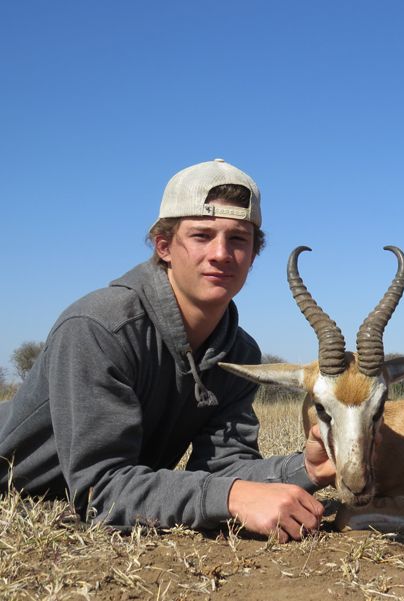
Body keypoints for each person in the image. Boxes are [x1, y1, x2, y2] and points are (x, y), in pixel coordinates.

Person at [0, 159, 335, 543]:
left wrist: (306, 469)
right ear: (164, 247)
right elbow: (100, 491)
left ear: (254, 255)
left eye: (238, 239)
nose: (221, 253)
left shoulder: (238, 351)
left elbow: (224, 467)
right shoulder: (98, 327)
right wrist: (231, 498)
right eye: (201, 236)